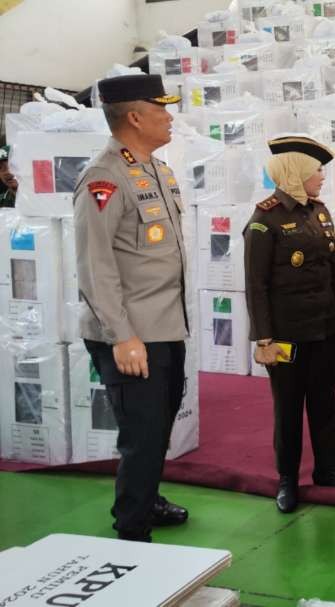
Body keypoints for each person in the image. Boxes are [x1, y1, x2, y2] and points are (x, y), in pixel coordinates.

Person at [72, 74, 190, 543]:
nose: (170, 115)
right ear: (136, 117)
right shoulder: (104, 177)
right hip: (131, 334)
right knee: (141, 437)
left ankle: (148, 499)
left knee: (159, 428)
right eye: (162, 108)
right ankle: (133, 529)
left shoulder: (156, 169)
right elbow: (94, 266)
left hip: (164, 326)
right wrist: (122, 335)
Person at [243, 135, 335, 514]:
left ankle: (328, 473)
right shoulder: (264, 220)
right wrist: (263, 338)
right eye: (316, 171)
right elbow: (255, 286)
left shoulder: (318, 212)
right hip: (286, 334)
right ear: (297, 173)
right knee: (288, 408)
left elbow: (333, 267)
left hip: (324, 328)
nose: (322, 177)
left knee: (324, 403)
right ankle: (287, 479)